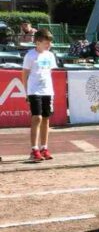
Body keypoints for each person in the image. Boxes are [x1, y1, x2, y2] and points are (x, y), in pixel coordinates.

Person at [22, 29, 58, 162]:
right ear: (37, 42)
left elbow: (48, 73)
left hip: (47, 91)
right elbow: (25, 74)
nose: (49, 45)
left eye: (49, 43)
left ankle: (44, 148)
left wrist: (50, 89)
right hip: (34, 91)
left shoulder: (50, 55)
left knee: (46, 119)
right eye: (46, 43)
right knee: (36, 117)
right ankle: (34, 150)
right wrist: (26, 92)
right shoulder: (30, 56)